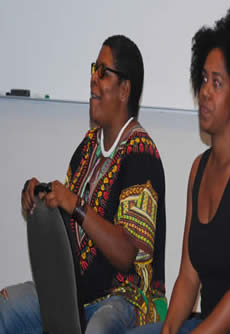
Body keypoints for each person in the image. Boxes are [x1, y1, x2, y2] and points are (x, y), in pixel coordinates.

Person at [0, 35, 167, 334]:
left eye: (103, 72)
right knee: (7, 308)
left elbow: (126, 254)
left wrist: (75, 205)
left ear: (124, 89)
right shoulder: (87, 148)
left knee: (100, 327)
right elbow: (70, 233)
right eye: (94, 69)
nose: (93, 79)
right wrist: (41, 197)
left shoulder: (141, 155)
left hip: (127, 300)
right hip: (73, 294)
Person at [127, 7, 230, 334]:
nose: (205, 91)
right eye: (204, 79)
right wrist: (168, 331)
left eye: (218, 83)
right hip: (209, 325)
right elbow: (189, 276)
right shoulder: (199, 168)